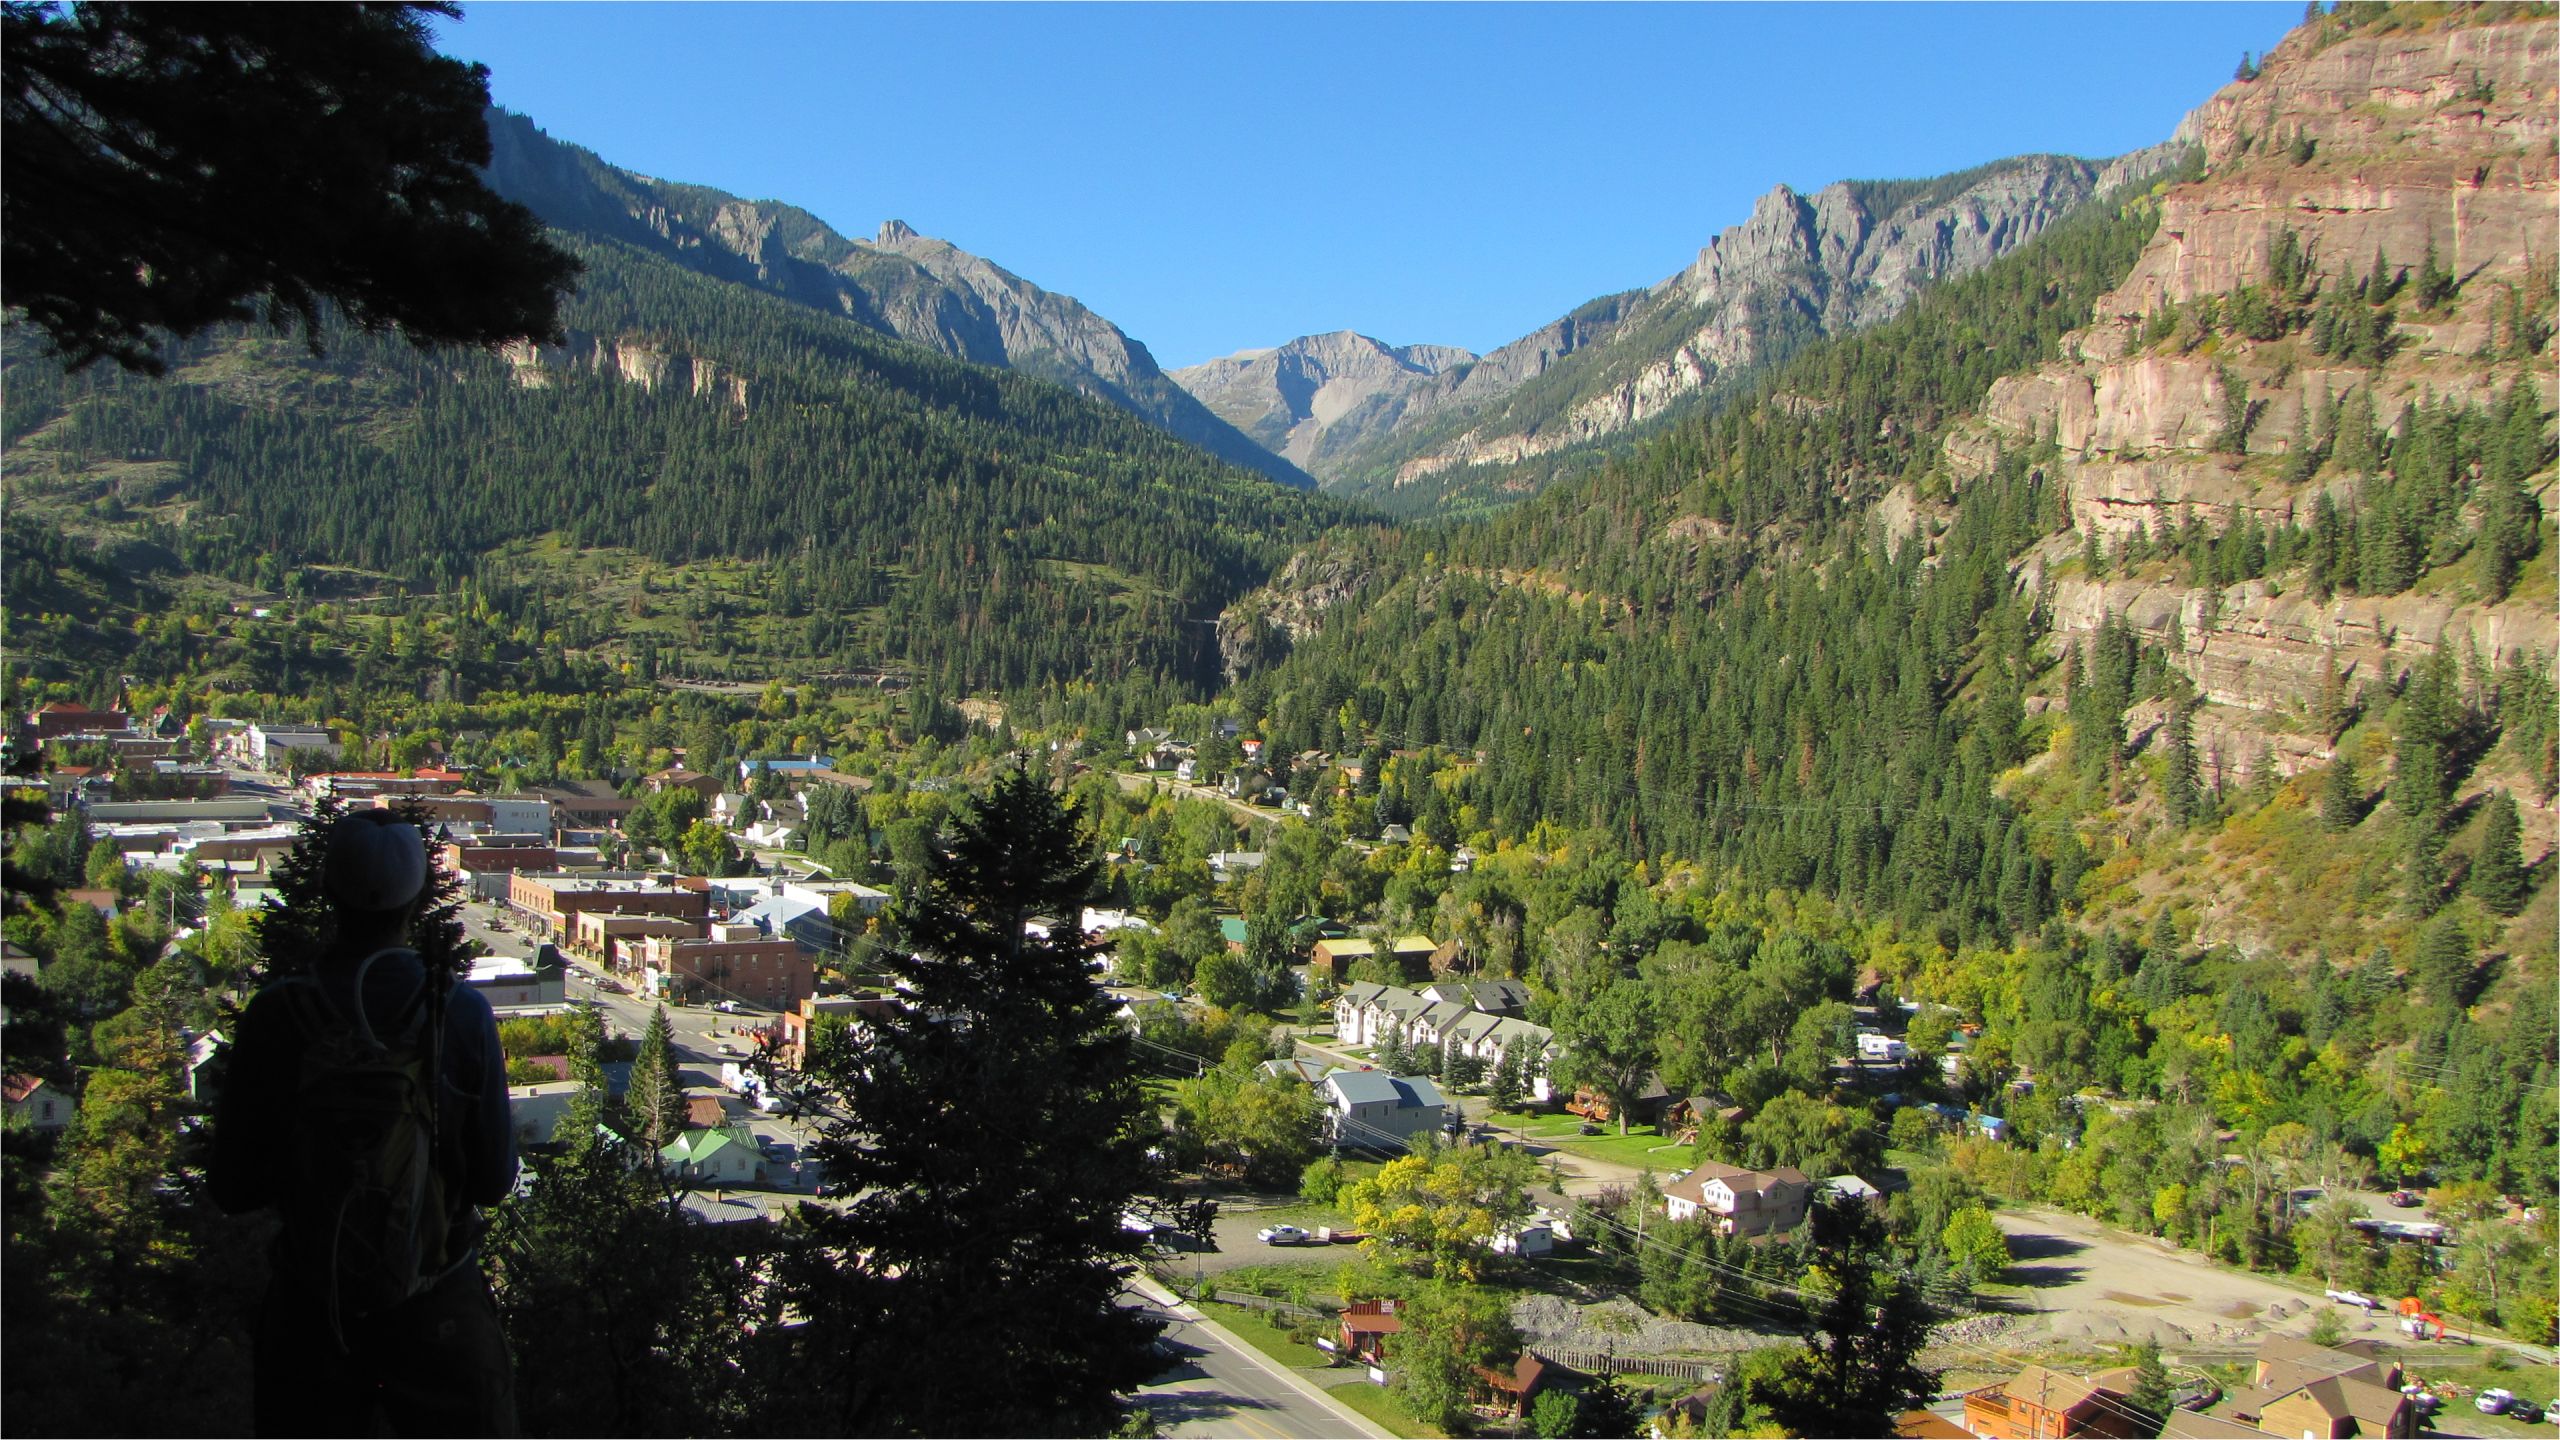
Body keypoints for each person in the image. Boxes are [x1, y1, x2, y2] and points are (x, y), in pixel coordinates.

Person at [213, 811, 518, 1437]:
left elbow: (233, 1186)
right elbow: (492, 1181)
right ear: (419, 898)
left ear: (329, 892)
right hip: (437, 1306)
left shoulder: (278, 1016)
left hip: (310, 1313)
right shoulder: (456, 1014)